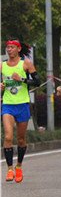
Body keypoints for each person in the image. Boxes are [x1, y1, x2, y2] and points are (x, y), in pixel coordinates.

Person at [1, 39, 39, 183]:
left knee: (21, 139)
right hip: (8, 105)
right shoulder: (2, 65)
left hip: (22, 104)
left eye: (12, 47)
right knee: (8, 137)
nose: (9, 50)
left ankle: (19, 166)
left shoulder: (26, 63)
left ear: (18, 49)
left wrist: (22, 79)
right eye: (8, 47)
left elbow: (37, 81)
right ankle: (10, 169)